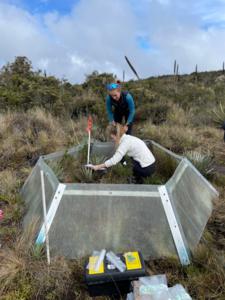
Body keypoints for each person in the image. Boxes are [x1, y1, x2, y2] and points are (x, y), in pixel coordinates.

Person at [90, 124, 156, 183]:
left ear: (113, 135)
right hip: (151, 163)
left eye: (112, 138)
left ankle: (138, 179)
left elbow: (114, 160)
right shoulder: (128, 138)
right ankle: (137, 176)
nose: (112, 140)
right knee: (123, 159)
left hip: (146, 168)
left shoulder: (125, 143)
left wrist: (97, 166)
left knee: (125, 163)